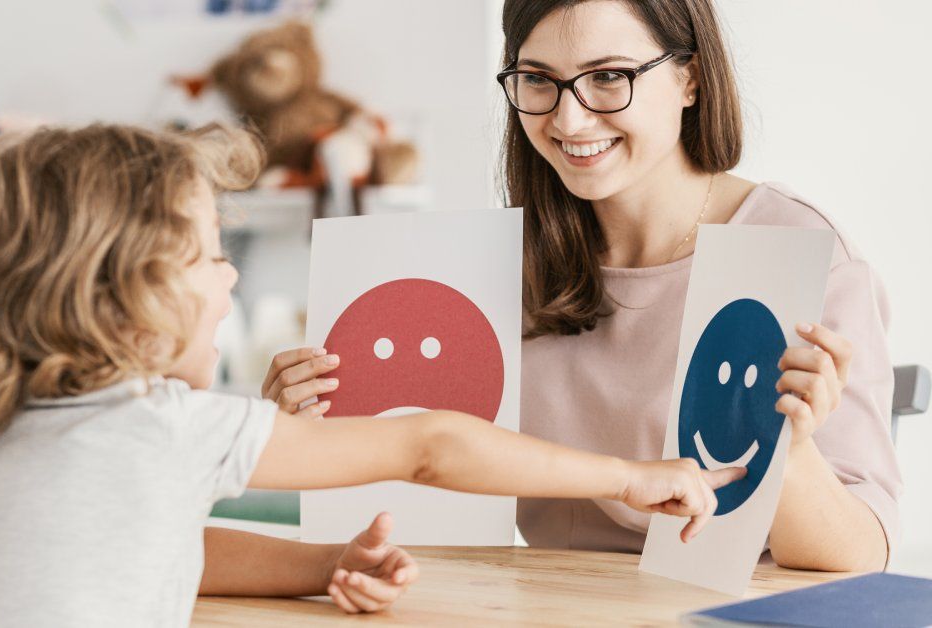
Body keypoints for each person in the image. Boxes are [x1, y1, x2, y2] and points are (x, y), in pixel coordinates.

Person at [0, 123, 741, 627]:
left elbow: (159, 544)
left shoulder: (3, 427)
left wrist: (326, 564)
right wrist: (629, 476)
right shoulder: (160, 425)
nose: (230, 280)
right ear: (126, 298)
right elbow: (431, 444)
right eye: (210, 258)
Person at [267, 0, 901, 572]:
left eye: (609, 77)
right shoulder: (494, 266)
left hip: (733, 606)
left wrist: (786, 448)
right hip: (551, 600)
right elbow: (427, 478)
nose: (568, 119)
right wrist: (315, 427)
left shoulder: (798, 255)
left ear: (690, 77)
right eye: (539, 80)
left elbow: (857, 553)